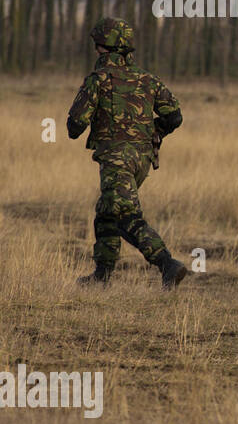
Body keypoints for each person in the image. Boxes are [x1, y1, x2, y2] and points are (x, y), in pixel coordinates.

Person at [67, 17, 188, 289]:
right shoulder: (148, 79)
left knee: (124, 216)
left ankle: (168, 264)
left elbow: (75, 126)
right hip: (143, 160)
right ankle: (102, 275)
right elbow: (175, 116)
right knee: (106, 211)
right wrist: (150, 131)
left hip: (116, 160)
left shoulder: (98, 80)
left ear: (102, 47)